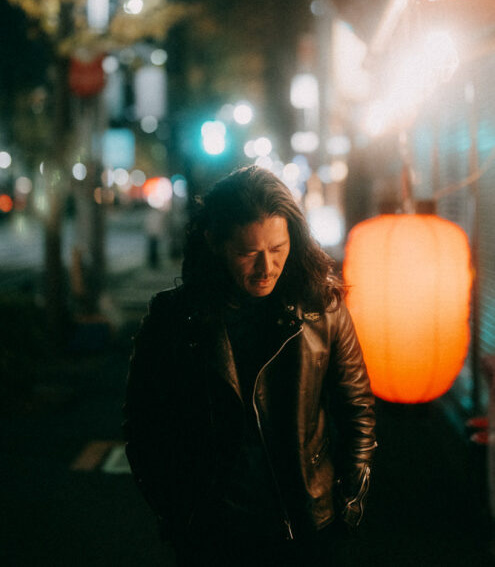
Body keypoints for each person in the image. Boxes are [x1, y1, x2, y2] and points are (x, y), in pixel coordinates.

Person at [123, 165, 376, 566]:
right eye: (248, 253)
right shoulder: (173, 319)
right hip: (212, 528)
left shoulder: (322, 309)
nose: (266, 268)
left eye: (278, 249)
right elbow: (144, 425)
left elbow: (357, 406)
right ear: (214, 242)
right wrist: (174, 512)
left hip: (307, 521)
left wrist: (348, 498)